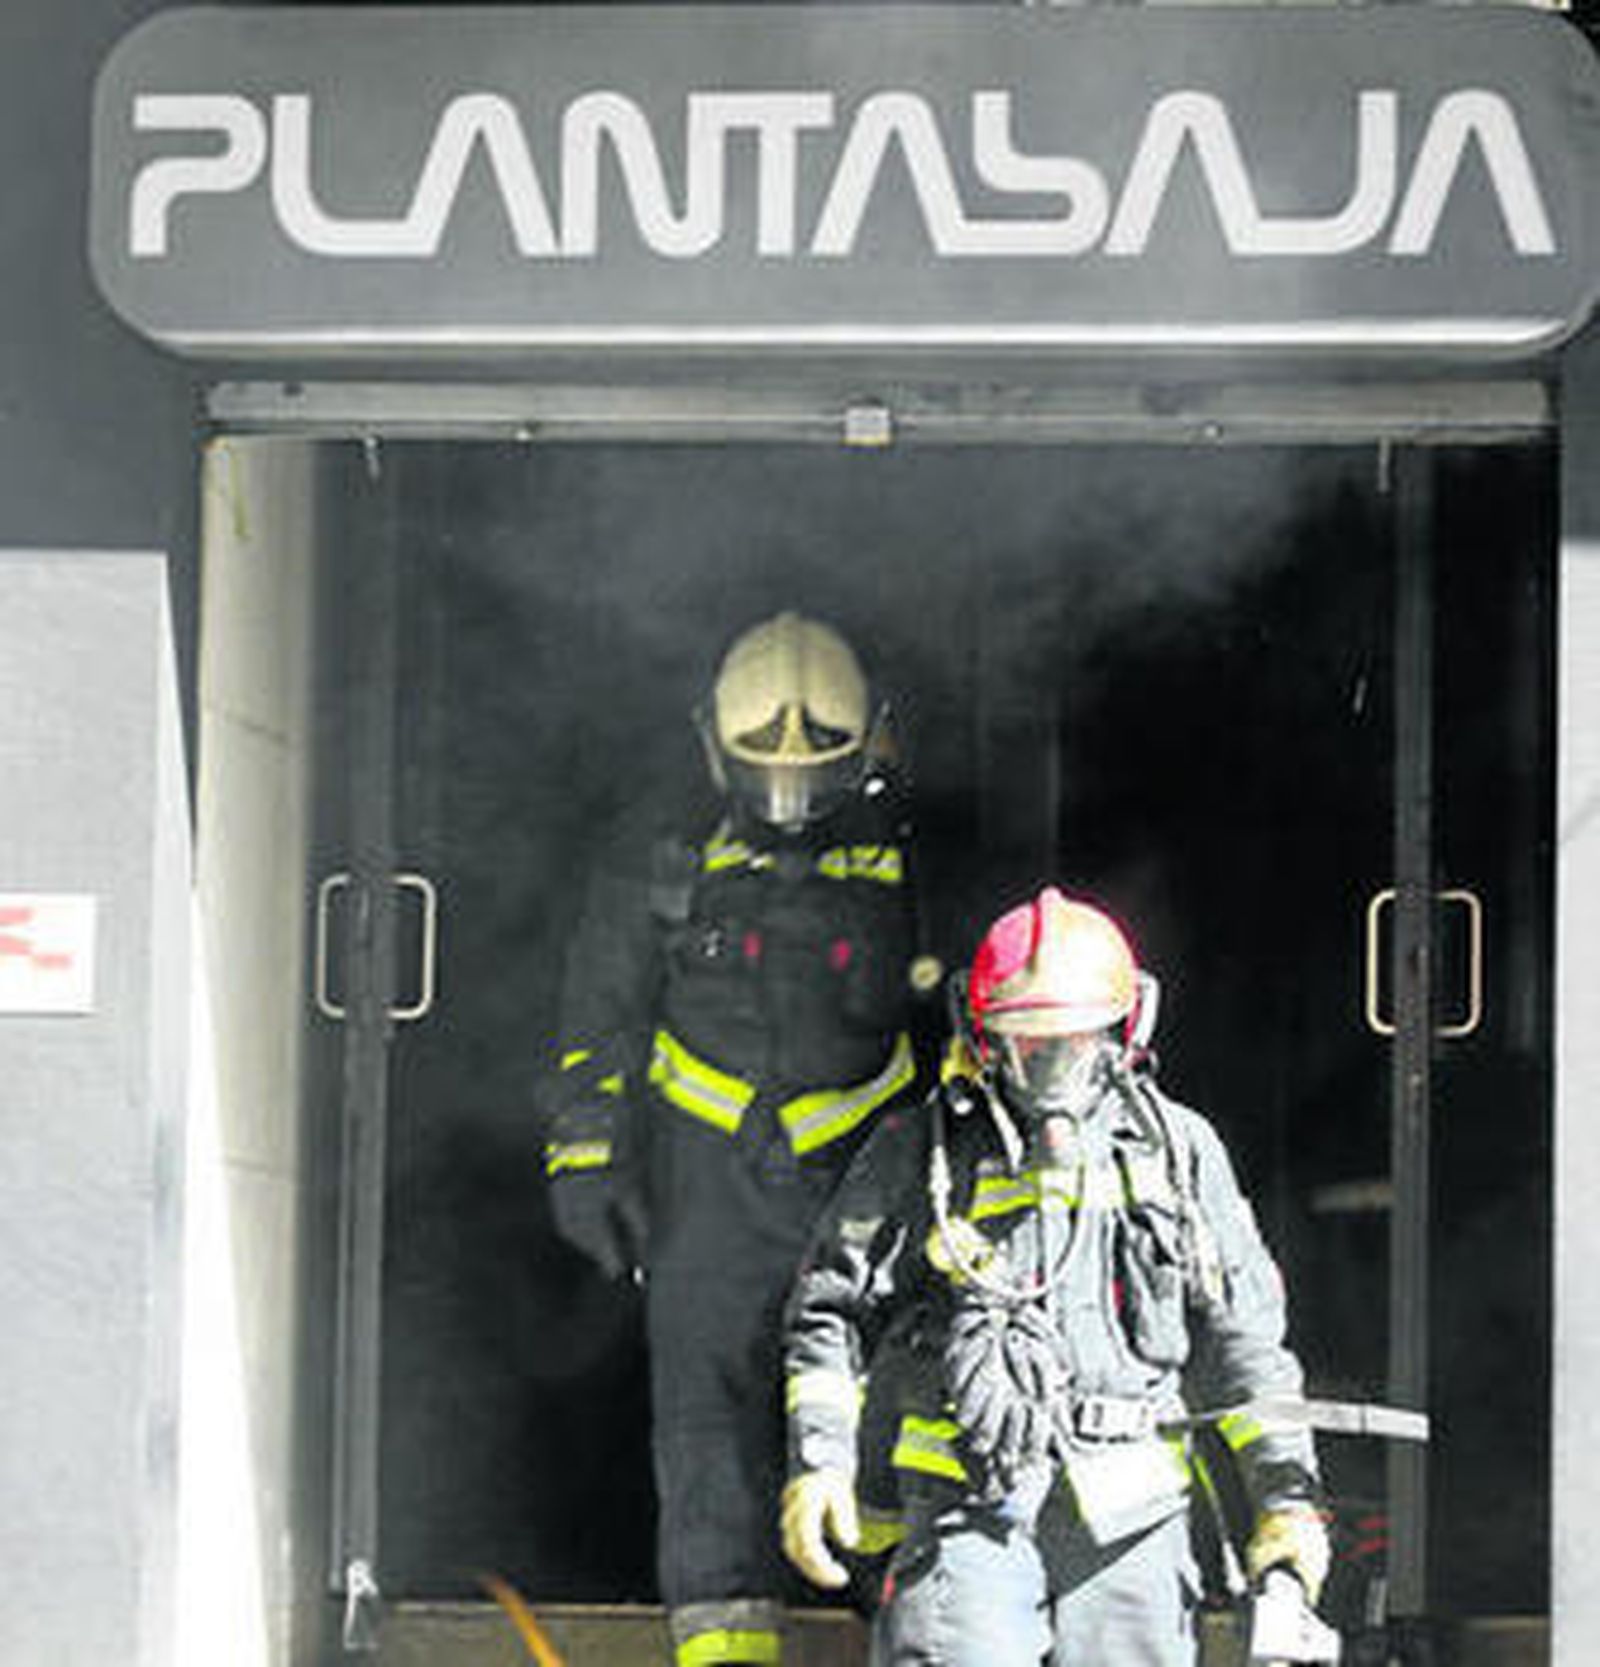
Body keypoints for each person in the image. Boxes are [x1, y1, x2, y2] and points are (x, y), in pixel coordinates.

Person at [780, 887, 1330, 1665]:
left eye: (1076, 1042)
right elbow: (830, 1312)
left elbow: (1246, 1342)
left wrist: (1286, 1499)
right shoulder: (922, 1151)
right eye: (1028, 1045)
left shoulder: (1178, 1152)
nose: (1053, 1070)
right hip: (969, 1503)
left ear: (1125, 1028)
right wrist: (820, 1461)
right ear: (982, 1037)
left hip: (1131, 1515)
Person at [541, 611, 929, 1667]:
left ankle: (901, 1627)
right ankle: (724, 1649)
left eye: (819, 774)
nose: (791, 801)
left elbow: (973, 1024)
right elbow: (599, 1011)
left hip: (870, 1172)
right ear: (716, 749)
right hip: (705, 1174)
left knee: (892, 1402)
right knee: (705, 1423)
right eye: (768, 775)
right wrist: (587, 1157)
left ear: (873, 744)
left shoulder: (916, 858)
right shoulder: (662, 863)